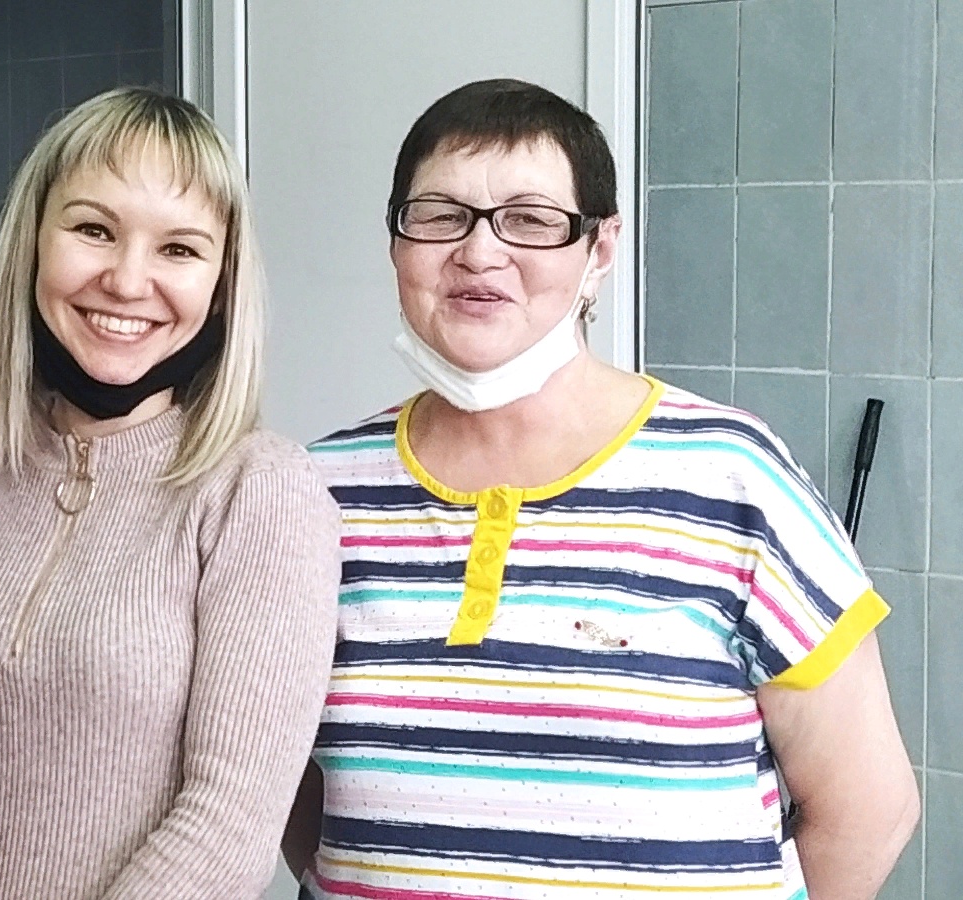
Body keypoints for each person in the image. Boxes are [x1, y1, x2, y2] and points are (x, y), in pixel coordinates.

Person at [288, 78, 919, 900]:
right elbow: (292, 801)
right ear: (396, 242)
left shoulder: (733, 476)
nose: (479, 252)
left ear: (601, 249)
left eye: (530, 219)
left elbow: (868, 807)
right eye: (440, 215)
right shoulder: (312, 492)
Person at [0, 86, 340, 899]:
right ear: (32, 244)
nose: (127, 281)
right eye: (93, 230)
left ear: (222, 284)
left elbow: (231, 819)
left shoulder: (263, 491)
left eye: (179, 249)